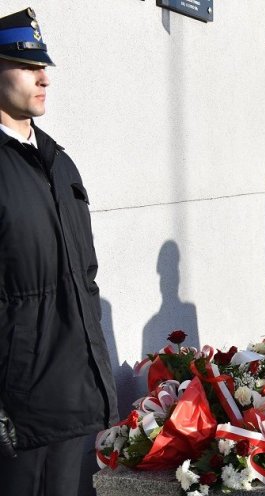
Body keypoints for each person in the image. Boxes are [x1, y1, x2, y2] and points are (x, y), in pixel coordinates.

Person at [0, 8, 118, 493]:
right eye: (28, 66)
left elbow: (83, 275)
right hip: (19, 408)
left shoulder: (58, 162)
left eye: (43, 66)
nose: (44, 77)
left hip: (75, 394)